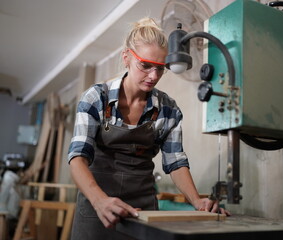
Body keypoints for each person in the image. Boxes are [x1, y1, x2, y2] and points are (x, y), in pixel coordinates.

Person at [68, 17, 229, 239]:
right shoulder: (96, 98)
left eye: (160, 69)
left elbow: (175, 162)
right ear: (126, 57)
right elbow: (77, 157)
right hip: (97, 206)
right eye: (145, 65)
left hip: (142, 210)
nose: (153, 76)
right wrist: (99, 200)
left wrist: (197, 200)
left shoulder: (168, 109)